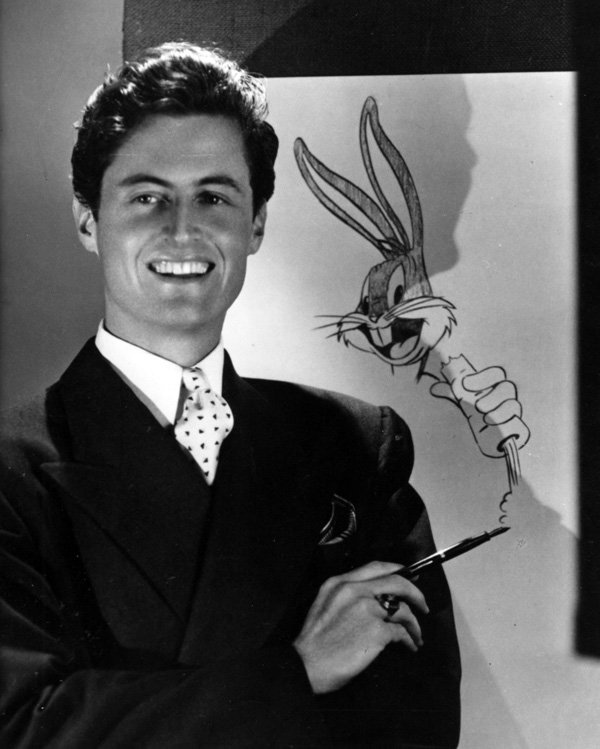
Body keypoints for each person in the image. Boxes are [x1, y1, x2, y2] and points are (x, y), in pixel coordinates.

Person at [0, 42, 470, 748]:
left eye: (213, 197)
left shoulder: (355, 443)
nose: (182, 229)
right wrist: (298, 672)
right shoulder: (12, 472)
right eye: (147, 197)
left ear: (255, 225)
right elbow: (24, 729)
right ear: (88, 220)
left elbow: (415, 722)